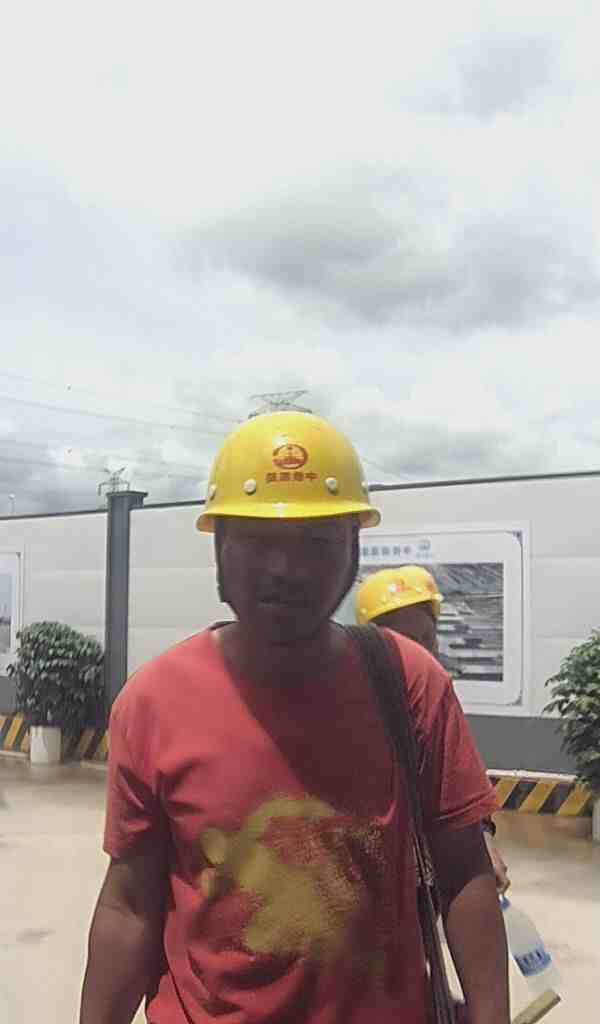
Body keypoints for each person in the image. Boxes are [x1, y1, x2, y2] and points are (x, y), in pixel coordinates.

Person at [80, 412, 509, 1024]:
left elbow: (465, 872)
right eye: (257, 541)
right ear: (219, 550)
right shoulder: (153, 702)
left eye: (318, 542)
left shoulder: (409, 682)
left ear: (354, 549)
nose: (286, 569)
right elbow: (129, 905)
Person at [355, 565, 510, 895]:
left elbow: (457, 790)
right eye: (406, 641)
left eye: (428, 637)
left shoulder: (436, 697)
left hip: (425, 879)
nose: (422, 651)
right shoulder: (350, 703)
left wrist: (484, 843)